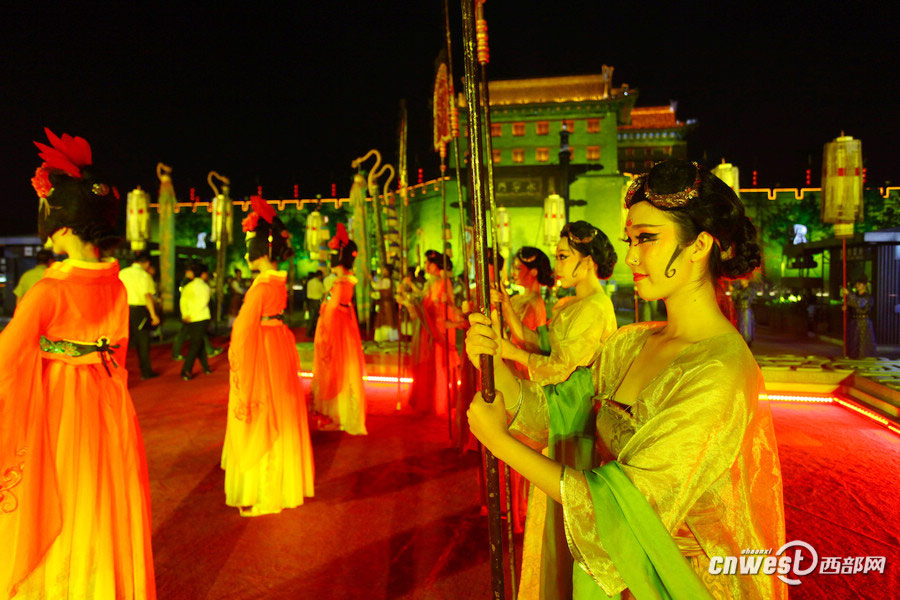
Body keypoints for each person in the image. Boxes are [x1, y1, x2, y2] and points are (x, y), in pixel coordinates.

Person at [466, 160, 785, 599]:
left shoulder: (718, 372)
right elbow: (560, 411)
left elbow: (627, 504)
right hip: (615, 568)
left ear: (700, 245)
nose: (632, 256)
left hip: (674, 577)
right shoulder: (628, 343)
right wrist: (492, 363)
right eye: (630, 240)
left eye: (648, 239)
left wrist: (499, 442)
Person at [0, 128, 155, 598]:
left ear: (63, 225)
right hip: (109, 400)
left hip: (61, 406)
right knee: (103, 493)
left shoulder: (50, 289)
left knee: (62, 491)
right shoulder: (118, 284)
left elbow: (8, 356)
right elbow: (120, 350)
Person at [221, 196, 314, 516]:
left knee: (263, 412)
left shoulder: (260, 287)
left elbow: (243, 331)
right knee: (280, 409)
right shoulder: (278, 283)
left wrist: (236, 360)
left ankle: (265, 487)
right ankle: (280, 483)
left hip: (262, 349)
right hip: (278, 346)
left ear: (258, 249)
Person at [312, 224, 367, 435]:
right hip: (344, 329)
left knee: (338, 369)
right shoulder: (344, 283)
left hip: (336, 331)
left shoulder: (340, 284)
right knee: (344, 370)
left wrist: (323, 334)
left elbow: (331, 310)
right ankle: (340, 414)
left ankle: (340, 415)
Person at [408, 250, 459, 416]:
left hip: (438, 327)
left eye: (428, 263)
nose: (425, 266)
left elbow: (447, 305)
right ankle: (428, 400)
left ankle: (439, 401)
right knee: (428, 364)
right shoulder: (431, 282)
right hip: (428, 326)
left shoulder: (444, 282)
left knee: (439, 365)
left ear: (436, 265)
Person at [119, 250, 160, 380]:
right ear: (147, 263)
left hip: (124, 309)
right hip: (139, 310)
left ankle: (118, 371)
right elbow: (147, 296)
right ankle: (146, 371)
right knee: (142, 341)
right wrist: (154, 315)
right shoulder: (144, 276)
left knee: (123, 342)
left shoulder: (122, 273)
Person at [179, 262, 213, 380]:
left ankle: (199, 368)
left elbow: (183, 302)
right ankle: (188, 369)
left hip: (191, 318)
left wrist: (186, 315)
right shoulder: (205, 287)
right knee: (197, 344)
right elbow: (203, 303)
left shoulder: (188, 286)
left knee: (196, 342)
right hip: (201, 318)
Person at [843, 276, 877, 358]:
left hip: (863, 322)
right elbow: (852, 305)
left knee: (863, 344)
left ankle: (864, 359)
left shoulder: (868, 297)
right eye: (857, 283)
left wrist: (848, 294)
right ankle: (853, 357)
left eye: (859, 283)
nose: (857, 285)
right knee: (853, 342)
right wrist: (846, 307)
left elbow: (860, 303)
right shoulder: (855, 295)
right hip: (854, 321)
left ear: (864, 285)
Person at [372, 265, 399, 343]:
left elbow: (376, 286)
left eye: (384, 270)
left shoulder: (386, 280)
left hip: (386, 303)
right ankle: (387, 337)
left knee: (387, 319)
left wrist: (371, 279)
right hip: (386, 303)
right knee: (386, 319)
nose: (383, 271)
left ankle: (387, 337)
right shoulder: (388, 280)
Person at [731, 278, 755, 345]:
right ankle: (743, 340)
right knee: (740, 325)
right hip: (740, 309)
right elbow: (735, 298)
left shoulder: (750, 290)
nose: (741, 281)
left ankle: (747, 340)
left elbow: (744, 296)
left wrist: (735, 291)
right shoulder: (740, 289)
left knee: (746, 325)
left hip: (746, 309)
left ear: (747, 281)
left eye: (743, 280)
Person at [305, 270, 325, 338]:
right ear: (319, 276)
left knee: (311, 317)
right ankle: (316, 332)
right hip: (317, 301)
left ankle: (309, 332)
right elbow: (323, 291)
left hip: (310, 301)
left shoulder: (309, 282)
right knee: (317, 317)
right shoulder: (319, 283)